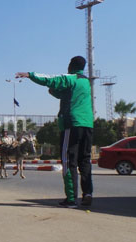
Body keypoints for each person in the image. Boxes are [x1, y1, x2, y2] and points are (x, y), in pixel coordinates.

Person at [16, 56, 94, 208]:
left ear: (71, 65)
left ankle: (71, 199)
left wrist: (30, 75)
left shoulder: (70, 78)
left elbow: (50, 79)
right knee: (85, 160)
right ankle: (88, 194)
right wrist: (53, 92)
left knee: (68, 161)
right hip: (88, 124)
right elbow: (64, 94)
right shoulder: (85, 82)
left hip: (71, 124)